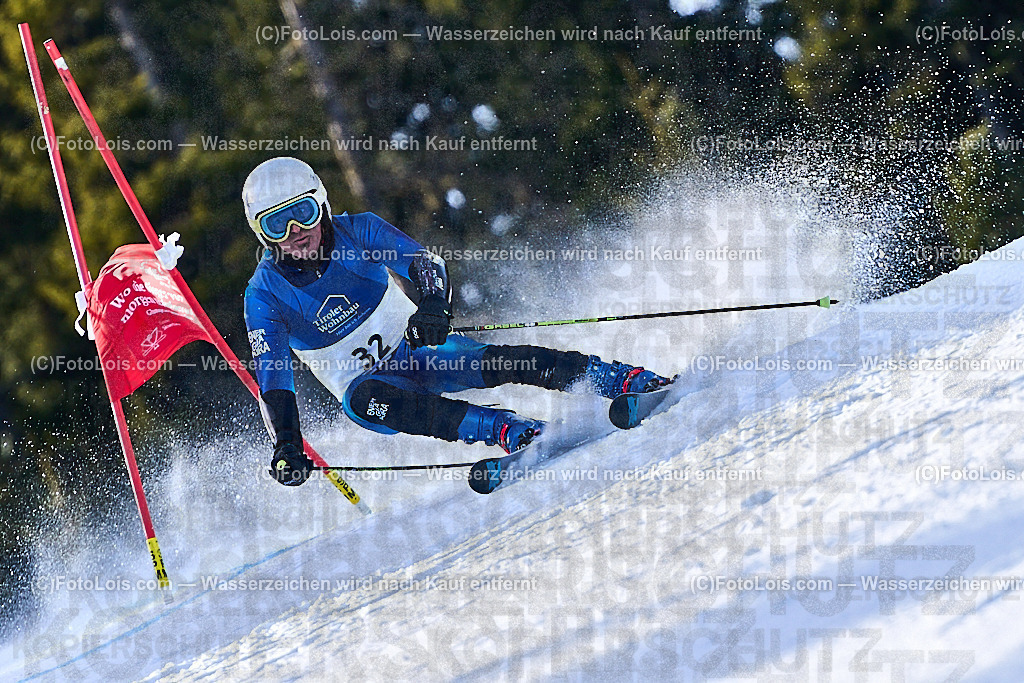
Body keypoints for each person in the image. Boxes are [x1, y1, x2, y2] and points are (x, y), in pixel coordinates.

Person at [242, 157, 672, 486]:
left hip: (420, 349)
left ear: (321, 204)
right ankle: (511, 430)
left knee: (503, 362)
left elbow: (424, 263)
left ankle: (621, 379)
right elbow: (274, 379)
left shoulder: (359, 231)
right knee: (365, 400)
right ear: (262, 233)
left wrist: (433, 306)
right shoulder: (263, 295)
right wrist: (287, 444)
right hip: (370, 389)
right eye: (277, 224)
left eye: (302, 213)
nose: (295, 231)